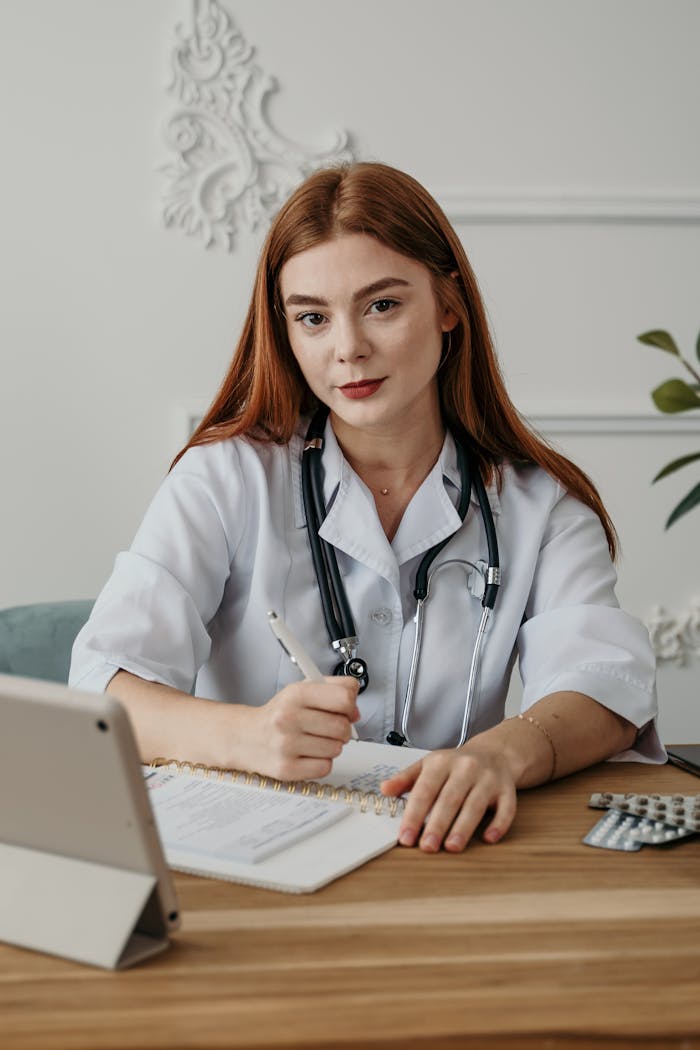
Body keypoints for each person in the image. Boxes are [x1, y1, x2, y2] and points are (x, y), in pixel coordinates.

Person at [70, 161, 663, 854]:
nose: (347, 348)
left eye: (382, 305)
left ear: (449, 305)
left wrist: (500, 754)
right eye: (313, 318)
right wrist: (250, 736)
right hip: (256, 854)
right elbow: (103, 689)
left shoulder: (540, 506)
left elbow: (607, 689)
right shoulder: (225, 478)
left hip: (447, 855)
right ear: (286, 333)